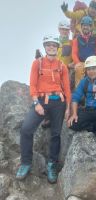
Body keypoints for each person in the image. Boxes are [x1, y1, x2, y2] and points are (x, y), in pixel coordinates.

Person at [16, 35, 71, 184]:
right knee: (26, 129)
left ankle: (52, 164)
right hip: (41, 101)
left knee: (56, 134)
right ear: (45, 47)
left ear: (57, 48)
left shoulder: (62, 66)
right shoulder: (37, 63)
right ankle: (26, 162)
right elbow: (33, 85)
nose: (51, 47)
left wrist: (67, 108)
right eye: (48, 45)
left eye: (54, 45)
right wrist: (36, 103)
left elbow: (67, 89)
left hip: (59, 103)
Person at [72, 16, 96, 87]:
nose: (86, 27)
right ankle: (79, 92)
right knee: (79, 69)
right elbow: (74, 53)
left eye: (88, 25)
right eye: (84, 25)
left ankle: (95, 91)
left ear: (91, 27)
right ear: (81, 26)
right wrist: (77, 63)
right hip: (81, 63)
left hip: (93, 62)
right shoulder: (76, 39)